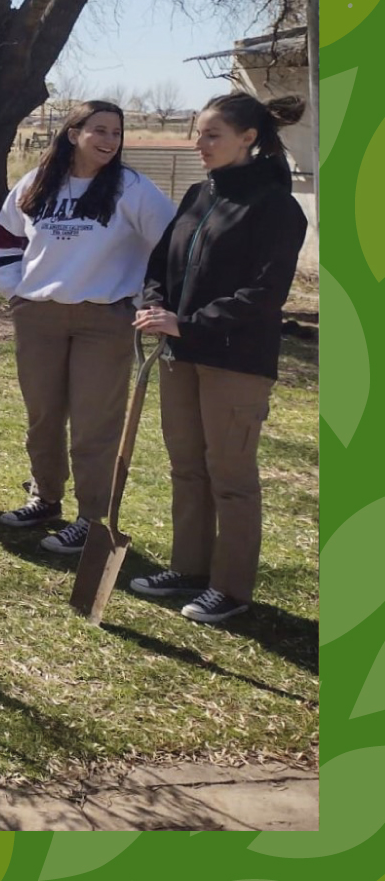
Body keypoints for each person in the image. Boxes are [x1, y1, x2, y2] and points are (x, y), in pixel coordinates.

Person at [130, 92, 308, 624]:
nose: (199, 144)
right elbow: (161, 262)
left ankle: (229, 589)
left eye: (211, 135)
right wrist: (156, 303)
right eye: (198, 132)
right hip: (178, 355)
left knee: (229, 475)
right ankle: (189, 569)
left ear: (247, 139)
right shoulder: (196, 194)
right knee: (187, 468)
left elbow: (265, 293)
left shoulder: (275, 206)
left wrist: (188, 323)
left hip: (235, 360)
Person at [0, 101, 178, 555]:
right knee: (43, 415)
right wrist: (14, 291)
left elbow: (172, 243)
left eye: (116, 132)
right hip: (39, 317)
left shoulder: (132, 188)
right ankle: (45, 496)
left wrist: (144, 298)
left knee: (95, 424)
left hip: (104, 320)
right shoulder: (36, 184)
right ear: (73, 133)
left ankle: (91, 518)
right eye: (99, 130)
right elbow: (4, 239)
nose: (110, 141)